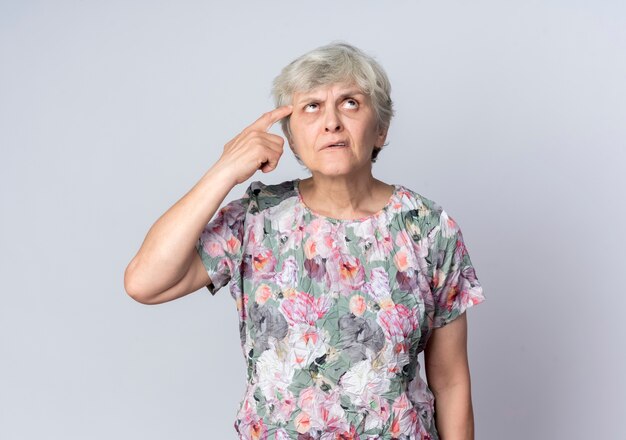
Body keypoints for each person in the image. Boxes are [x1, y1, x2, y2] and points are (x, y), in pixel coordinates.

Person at [124, 42, 486, 440]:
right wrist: (225, 169)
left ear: (381, 128)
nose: (331, 122)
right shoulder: (256, 218)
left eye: (350, 103)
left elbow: (451, 382)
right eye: (311, 106)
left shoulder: (428, 227)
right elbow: (145, 283)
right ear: (292, 138)